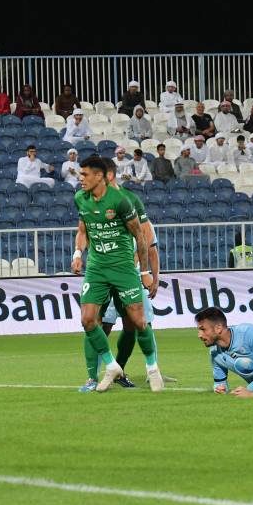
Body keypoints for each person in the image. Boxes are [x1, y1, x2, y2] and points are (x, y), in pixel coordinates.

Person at [71, 156, 158, 392]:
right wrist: (78, 253)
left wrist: (146, 271)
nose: (80, 179)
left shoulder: (124, 201)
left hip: (123, 270)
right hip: (97, 269)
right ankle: (101, 371)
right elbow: (83, 229)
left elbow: (143, 237)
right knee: (90, 320)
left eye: (85, 174)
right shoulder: (80, 198)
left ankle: (147, 368)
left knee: (136, 323)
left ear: (103, 176)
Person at [94, 158, 163, 390]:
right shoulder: (98, 210)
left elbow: (150, 247)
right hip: (107, 274)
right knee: (101, 325)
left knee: (137, 324)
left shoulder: (135, 211)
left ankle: (127, 370)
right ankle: (94, 375)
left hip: (131, 278)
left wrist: (153, 275)